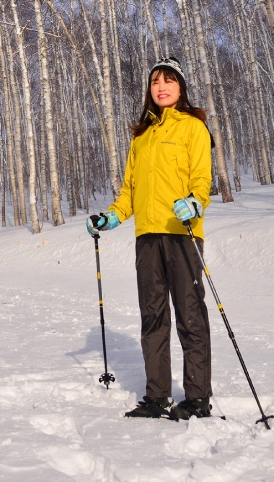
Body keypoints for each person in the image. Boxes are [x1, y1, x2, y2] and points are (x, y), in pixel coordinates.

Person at [88, 56, 213, 421]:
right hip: (147, 238)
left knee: (190, 317)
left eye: (169, 81)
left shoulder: (193, 128)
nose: (161, 87)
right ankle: (157, 396)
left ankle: (197, 397)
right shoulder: (141, 137)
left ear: (181, 87)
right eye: (155, 81)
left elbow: (202, 181)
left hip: (181, 234)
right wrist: (110, 216)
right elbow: (129, 192)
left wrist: (193, 203)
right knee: (152, 318)